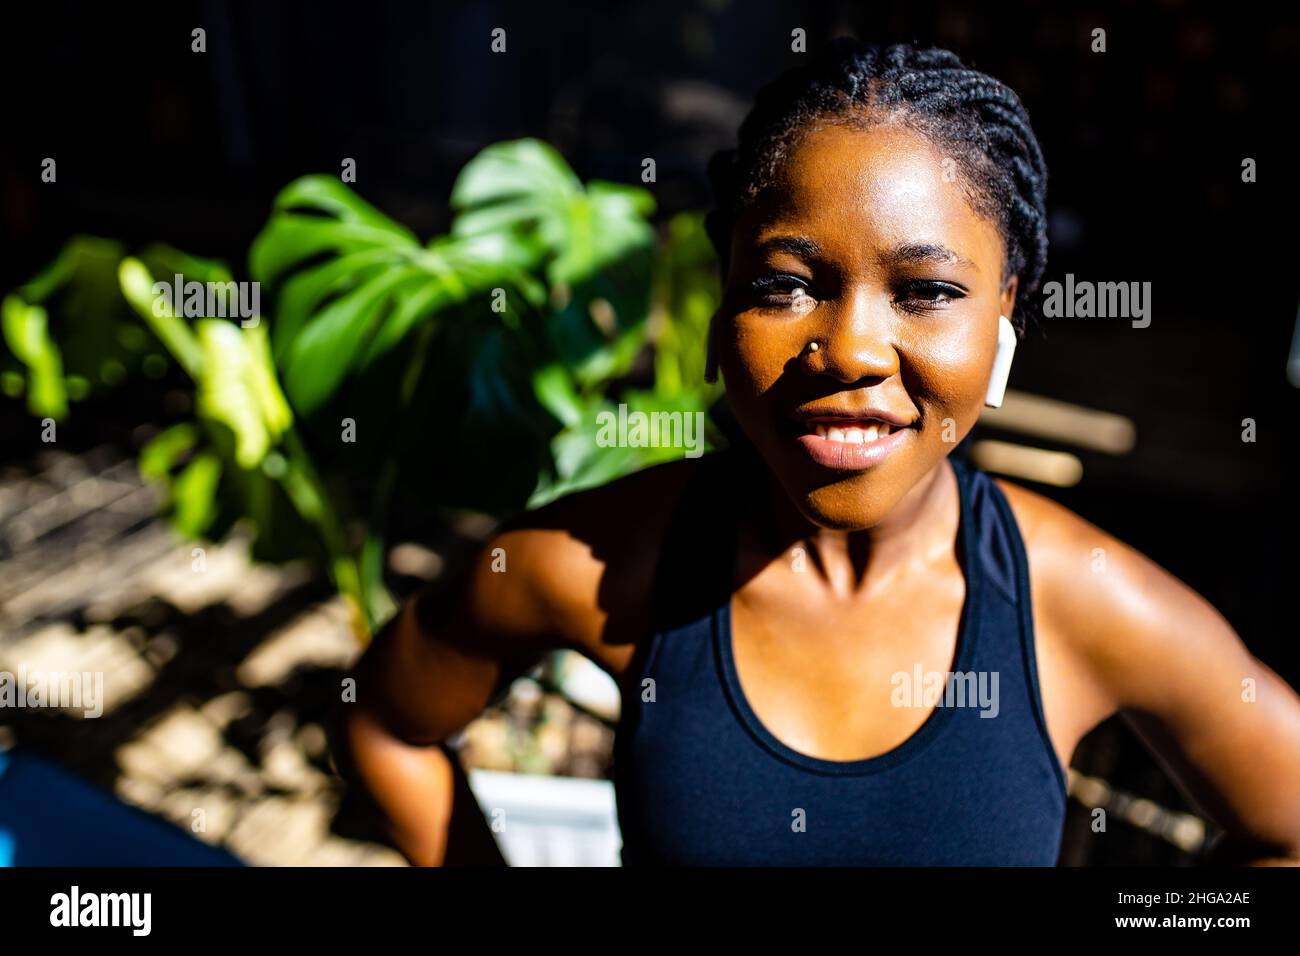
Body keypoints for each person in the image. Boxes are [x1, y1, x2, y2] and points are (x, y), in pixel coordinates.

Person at [334, 40, 1300, 866]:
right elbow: (383, 724)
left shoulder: (1081, 602)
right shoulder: (605, 565)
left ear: (1005, 315)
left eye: (925, 291)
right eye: (786, 284)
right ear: (720, 305)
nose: (848, 350)